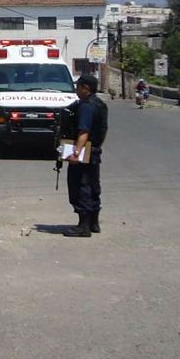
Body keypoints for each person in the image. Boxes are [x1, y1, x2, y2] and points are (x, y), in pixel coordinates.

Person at [65, 73, 109, 238]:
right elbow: (104, 130)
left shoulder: (86, 106)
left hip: (84, 150)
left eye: (79, 86)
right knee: (93, 185)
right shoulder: (101, 105)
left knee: (80, 185)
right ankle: (93, 223)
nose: (76, 89)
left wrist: (76, 152)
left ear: (86, 88)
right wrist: (95, 147)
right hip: (95, 149)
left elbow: (83, 131)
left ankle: (83, 226)